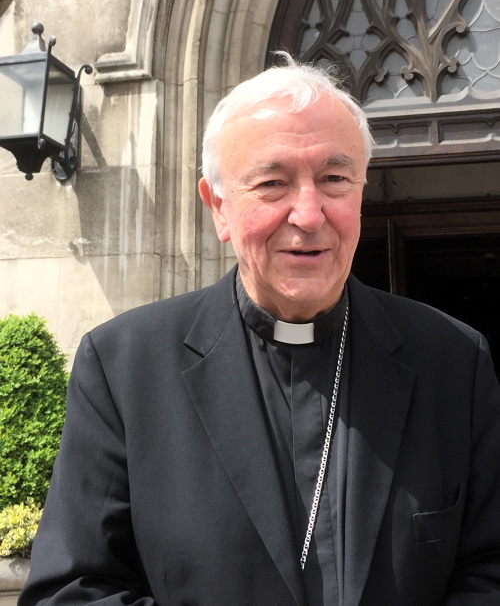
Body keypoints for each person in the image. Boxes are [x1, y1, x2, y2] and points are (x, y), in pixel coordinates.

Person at [19, 55, 500, 606]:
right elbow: (72, 591)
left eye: (334, 179)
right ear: (218, 208)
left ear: (360, 194)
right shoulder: (124, 367)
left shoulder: (453, 361)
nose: (309, 213)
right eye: (272, 183)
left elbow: (489, 568)